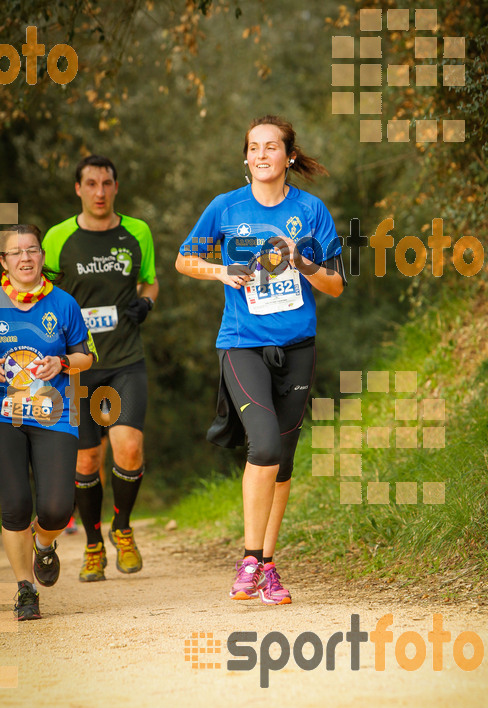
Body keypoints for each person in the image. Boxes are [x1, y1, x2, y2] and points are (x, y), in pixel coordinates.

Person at [176, 115, 345, 604]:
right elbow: (184, 260)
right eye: (255, 148)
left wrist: (302, 260)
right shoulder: (225, 208)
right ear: (246, 157)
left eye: (273, 147)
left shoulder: (310, 211)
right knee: (265, 445)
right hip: (242, 343)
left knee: (284, 462)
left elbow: (335, 284)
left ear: (289, 157)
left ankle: (268, 566)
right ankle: (250, 559)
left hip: (298, 349)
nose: (263, 155)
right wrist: (221, 271)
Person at [43, 155, 159, 582]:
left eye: (107, 183)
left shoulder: (137, 232)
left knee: (128, 447)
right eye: (90, 184)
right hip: (77, 368)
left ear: (116, 186)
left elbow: (149, 279)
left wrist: (146, 301)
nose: (99, 192)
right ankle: (93, 545)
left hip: (124, 361)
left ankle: (123, 528)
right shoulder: (58, 238)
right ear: (78, 189)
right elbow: (40, 291)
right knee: (88, 460)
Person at [0, 224, 94, 620]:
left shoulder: (64, 303)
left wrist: (64, 362)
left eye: (32, 250)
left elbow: (87, 356)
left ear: (42, 257)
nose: (25, 258)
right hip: (4, 415)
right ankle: (25, 589)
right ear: (3, 261)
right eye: (15, 252)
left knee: (57, 509)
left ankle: (44, 543)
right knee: (14, 505)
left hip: (55, 413)